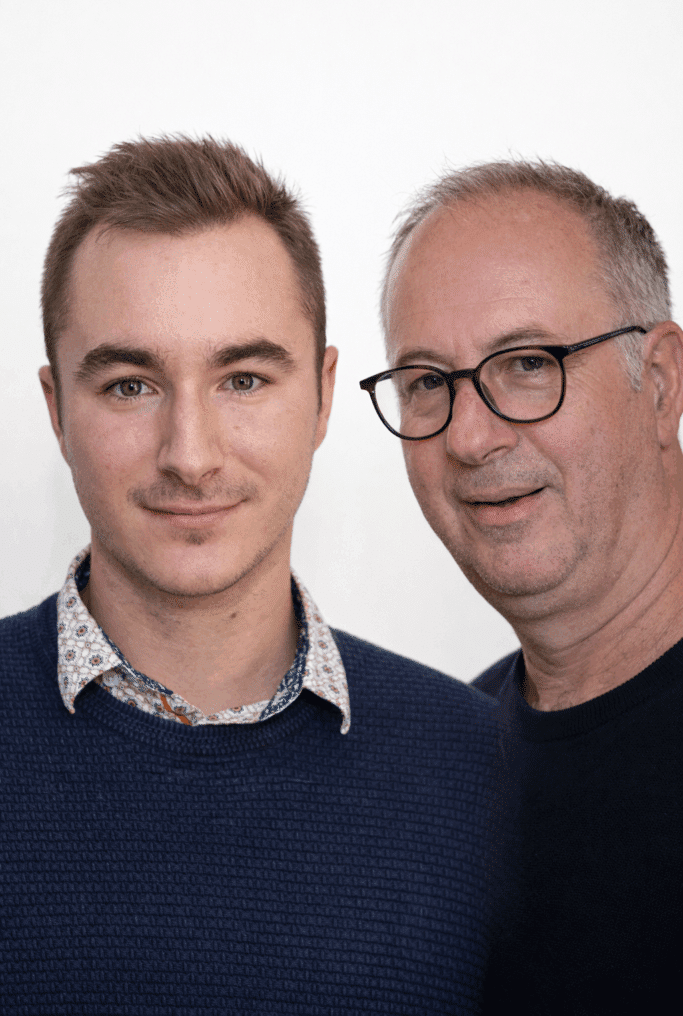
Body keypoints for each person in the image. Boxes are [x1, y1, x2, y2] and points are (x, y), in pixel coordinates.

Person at [0, 135, 500, 1015]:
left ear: (320, 394)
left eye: (242, 378)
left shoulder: (485, 768)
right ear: (56, 410)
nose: (189, 456)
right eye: (128, 385)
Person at [363, 159, 683, 1013]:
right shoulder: (447, 770)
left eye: (527, 363)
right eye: (427, 383)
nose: (469, 436)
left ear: (658, 383)